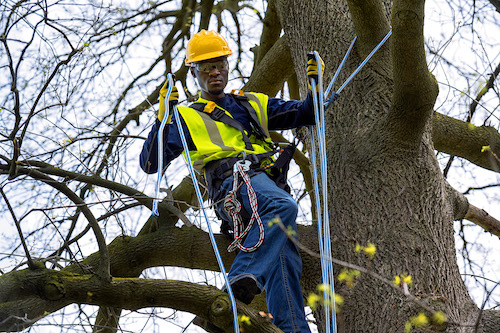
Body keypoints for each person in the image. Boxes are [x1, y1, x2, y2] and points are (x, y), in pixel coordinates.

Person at [140, 29, 322, 333]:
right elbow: (150, 162)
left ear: (228, 65)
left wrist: (315, 87)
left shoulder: (251, 104)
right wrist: (163, 120)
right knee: (282, 206)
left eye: (220, 64)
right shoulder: (186, 117)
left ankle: (292, 329)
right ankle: (236, 286)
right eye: (206, 67)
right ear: (194, 72)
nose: (215, 72)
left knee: (284, 261)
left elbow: (304, 113)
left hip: (263, 186)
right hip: (233, 186)